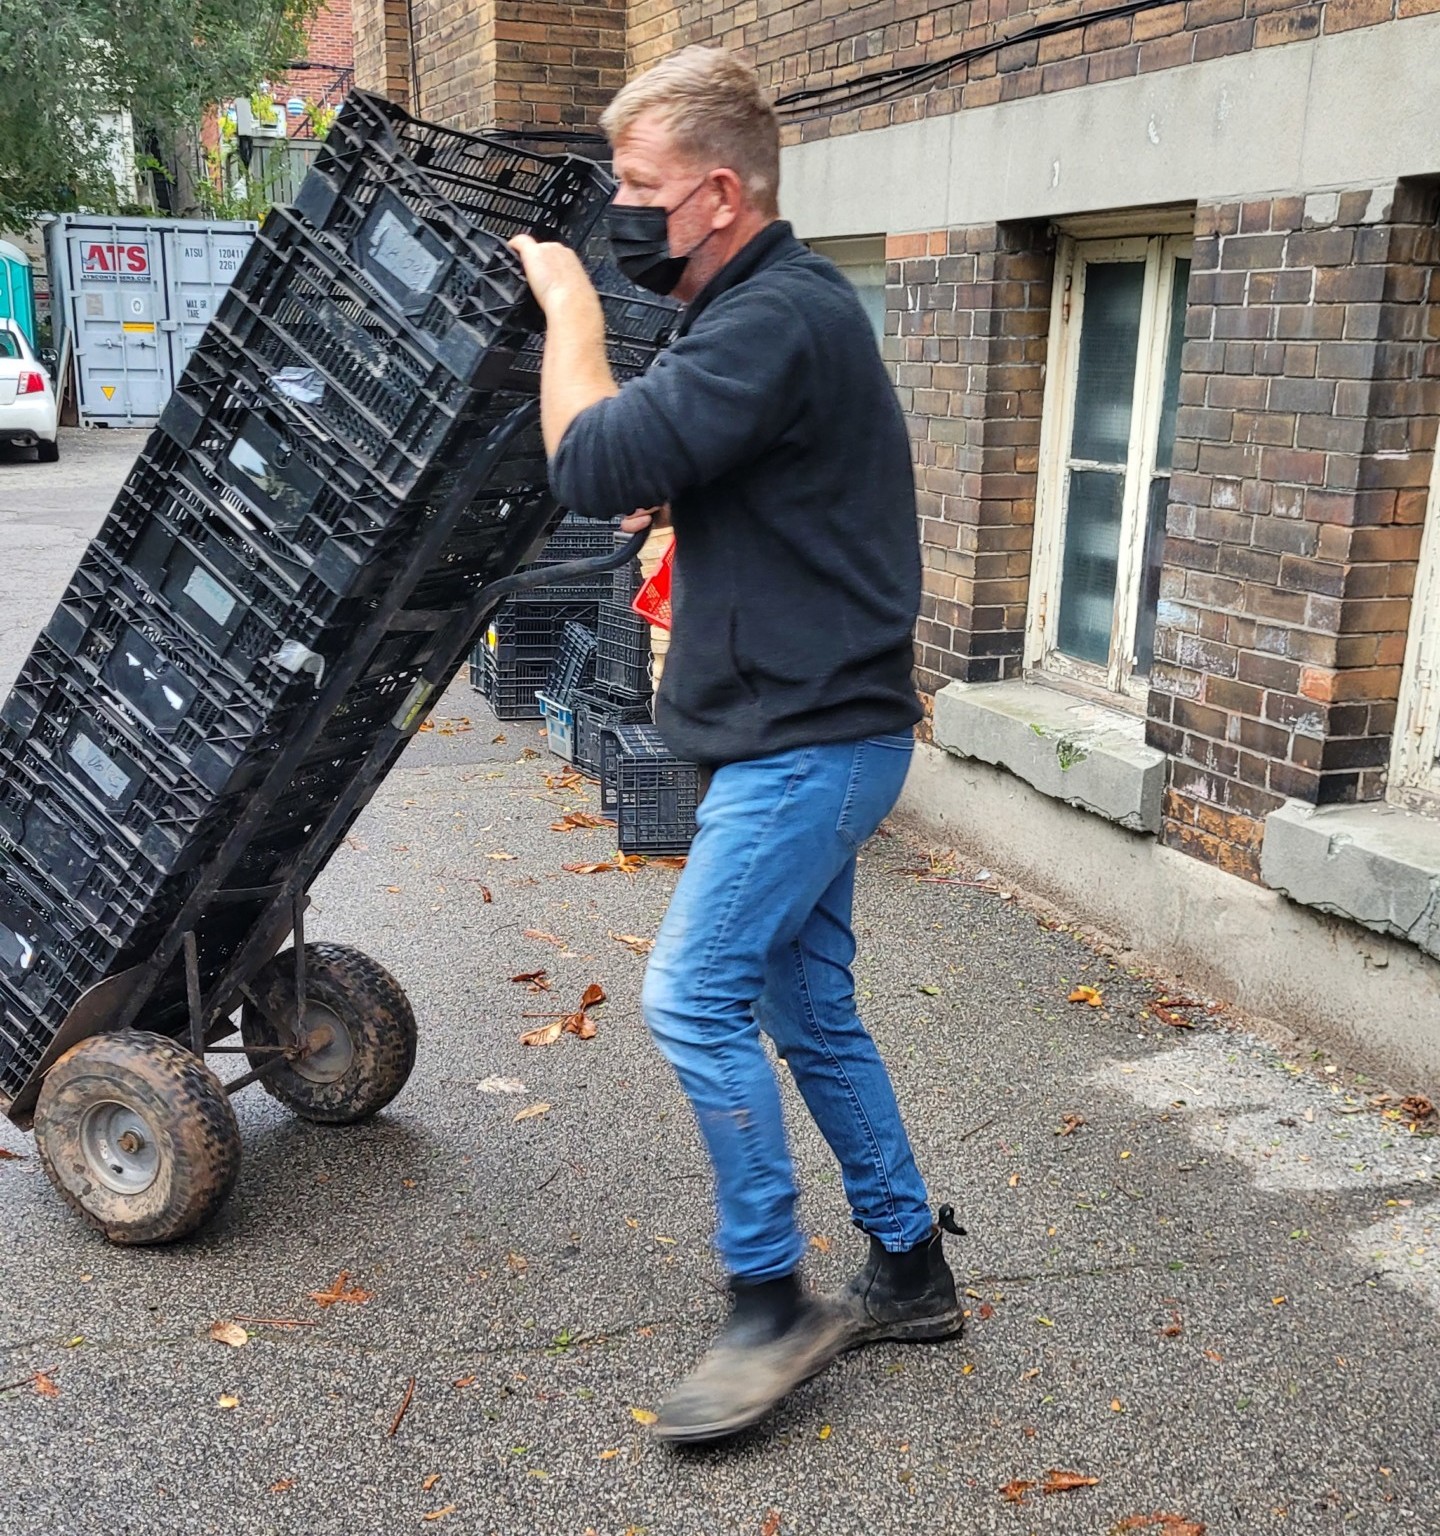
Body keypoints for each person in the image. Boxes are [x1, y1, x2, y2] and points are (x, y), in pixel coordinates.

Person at [509, 44, 964, 1446]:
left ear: (716, 195)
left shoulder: (775, 319)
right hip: (808, 734)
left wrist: (570, 309)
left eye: (639, 189)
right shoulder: (772, 316)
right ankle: (910, 1264)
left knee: (691, 999)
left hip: (809, 748)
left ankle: (770, 1301)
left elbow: (589, 463)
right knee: (806, 1010)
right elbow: (718, 478)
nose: (619, 211)